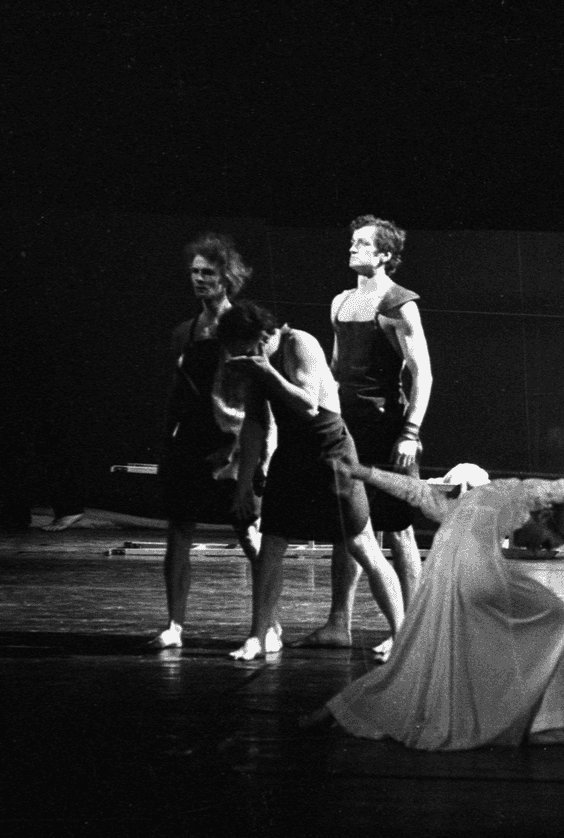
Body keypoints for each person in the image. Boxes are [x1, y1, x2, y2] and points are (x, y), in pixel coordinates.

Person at [314, 454, 564, 750]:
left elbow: (412, 490)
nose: (538, 550)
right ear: (545, 515)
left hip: (446, 580)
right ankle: (547, 724)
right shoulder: (528, 494)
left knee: (431, 655)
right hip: (476, 576)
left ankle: (336, 709)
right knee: (561, 619)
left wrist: (363, 472)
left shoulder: (469, 499)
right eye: (546, 542)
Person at [217, 300, 405, 660]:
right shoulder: (254, 361)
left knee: (362, 545)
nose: (243, 356)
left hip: (329, 448)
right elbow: (256, 423)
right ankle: (258, 635)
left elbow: (308, 406)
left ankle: (403, 635)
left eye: (245, 348)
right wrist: (243, 486)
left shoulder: (298, 343)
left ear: (262, 336)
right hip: (293, 453)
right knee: (271, 545)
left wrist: (267, 373)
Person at [298, 215, 431, 656]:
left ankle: (409, 630)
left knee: (397, 530)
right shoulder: (339, 303)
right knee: (347, 525)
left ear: (385, 256)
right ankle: (339, 624)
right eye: (352, 242)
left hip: (387, 429)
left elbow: (422, 374)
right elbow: (335, 373)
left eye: (361, 244)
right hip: (348, 427)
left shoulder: (399, 303)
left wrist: (410, 432)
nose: (352, 249)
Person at [151, 233, 273, 650]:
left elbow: (259, 397)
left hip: (235, 443)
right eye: (194, 272)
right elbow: (177, 394)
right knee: (178, 530)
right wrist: (169, 446)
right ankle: (174, 625)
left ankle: (268, 626)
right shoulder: (184, 332)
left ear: (227, 277)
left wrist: (252, 456)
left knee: (248, 534)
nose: (199, 279)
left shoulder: (243, 326)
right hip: (191, 443)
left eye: (208, 272)